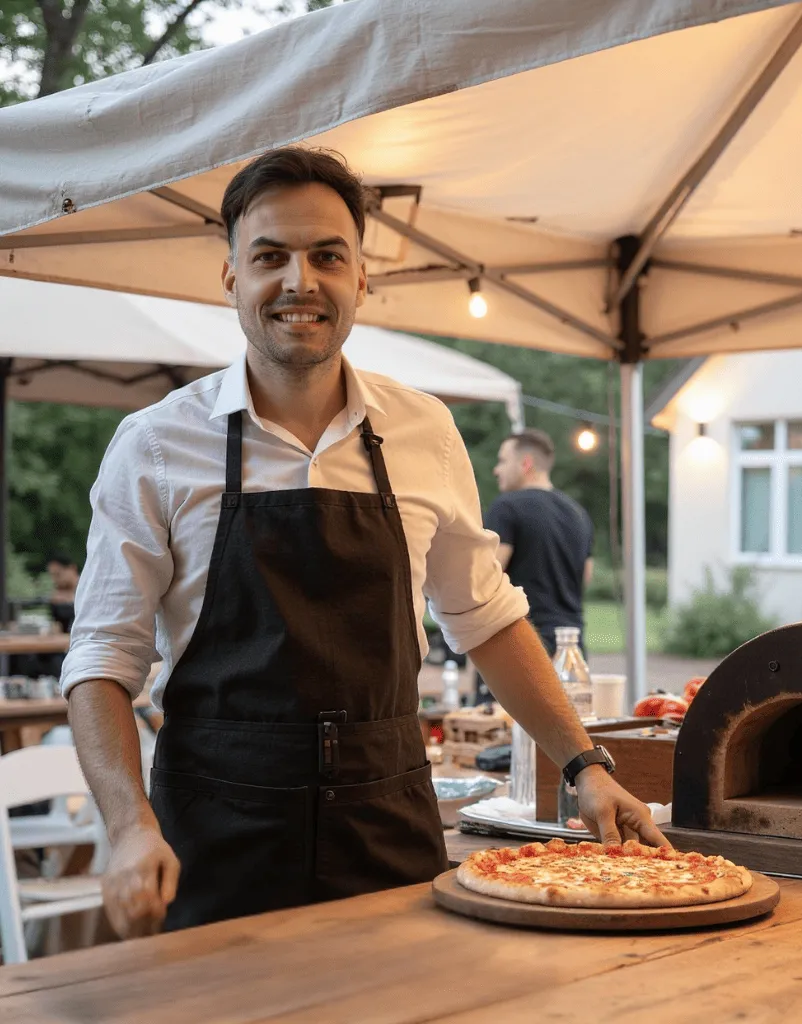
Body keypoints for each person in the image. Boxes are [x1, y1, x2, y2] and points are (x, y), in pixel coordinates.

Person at [63, 147, 666, 939]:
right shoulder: (154, 444)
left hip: (388, 829)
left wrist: (587, 766)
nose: (299, 281)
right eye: (270, 256)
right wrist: (130, 825)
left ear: (361, 279)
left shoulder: (425, 431)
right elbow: (103, 660)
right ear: (231, 278)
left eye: (327, 256)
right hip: (215, 836)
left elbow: (485, 617)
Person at [488, 430, 594, 656]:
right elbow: (585, 576)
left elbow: (488, 576)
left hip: (523, 647)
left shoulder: (506, 507)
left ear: (526, 464)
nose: (496, 470)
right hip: (572, 648)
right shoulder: (579, 514)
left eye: (503, 461)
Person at [46, 552, 80, 635]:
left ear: (72, 568)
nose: (55, 579)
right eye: (52, 575)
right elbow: (56, 627)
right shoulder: (57, 598)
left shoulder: (87, 587)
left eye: (58, 574)